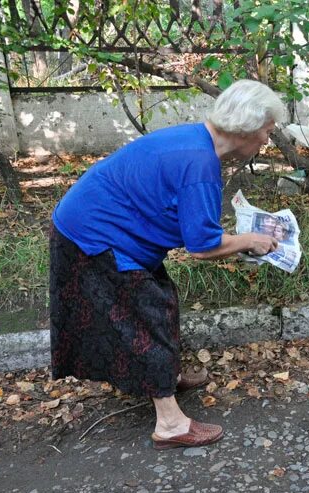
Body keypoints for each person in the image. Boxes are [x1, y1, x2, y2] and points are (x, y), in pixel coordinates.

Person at [49, 79, 287, 450]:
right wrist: (250, 241)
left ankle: (161, 376)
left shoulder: (195, 141)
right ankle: (170, 424)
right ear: (246, 125)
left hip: (96, 224)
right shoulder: (201, 164)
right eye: (267, 131)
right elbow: (203, 247)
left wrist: (238, 240)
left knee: (160, 298)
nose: (267, 141)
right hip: (93, 236)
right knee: (149, 315)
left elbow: (192, 225)